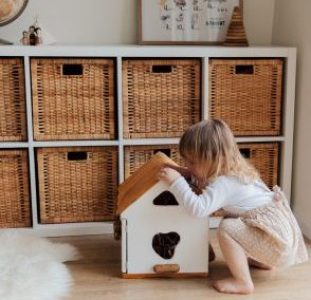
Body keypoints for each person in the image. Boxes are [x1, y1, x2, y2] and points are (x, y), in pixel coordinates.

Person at [158, 119, 308, 295]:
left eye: (192, 162)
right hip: (279, 240)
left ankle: (243, 282)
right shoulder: (234, 171)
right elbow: (205, 183)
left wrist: (176, 183)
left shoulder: (224, 183)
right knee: (234, 220)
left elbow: (198, 209)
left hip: (276, 246)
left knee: (228, 227)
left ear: (214, 159)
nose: (188, 166)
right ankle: (264, 261)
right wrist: (186, 174)